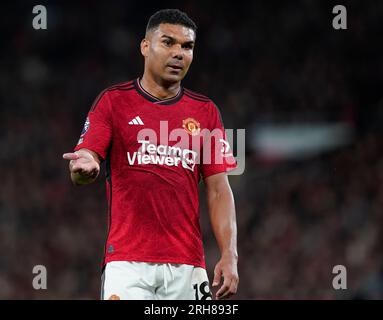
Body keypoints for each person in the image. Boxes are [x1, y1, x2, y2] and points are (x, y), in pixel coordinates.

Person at [63, 8, 239, 300]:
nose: (179, 53)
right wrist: (85, 168)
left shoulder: (205, 112)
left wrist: (229, 254)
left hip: (188, 266)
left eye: (187, 46)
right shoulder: (114, 102)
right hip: (128, 265)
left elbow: (220, 190)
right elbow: (85, 160)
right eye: (168, 42)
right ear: (145, 47)